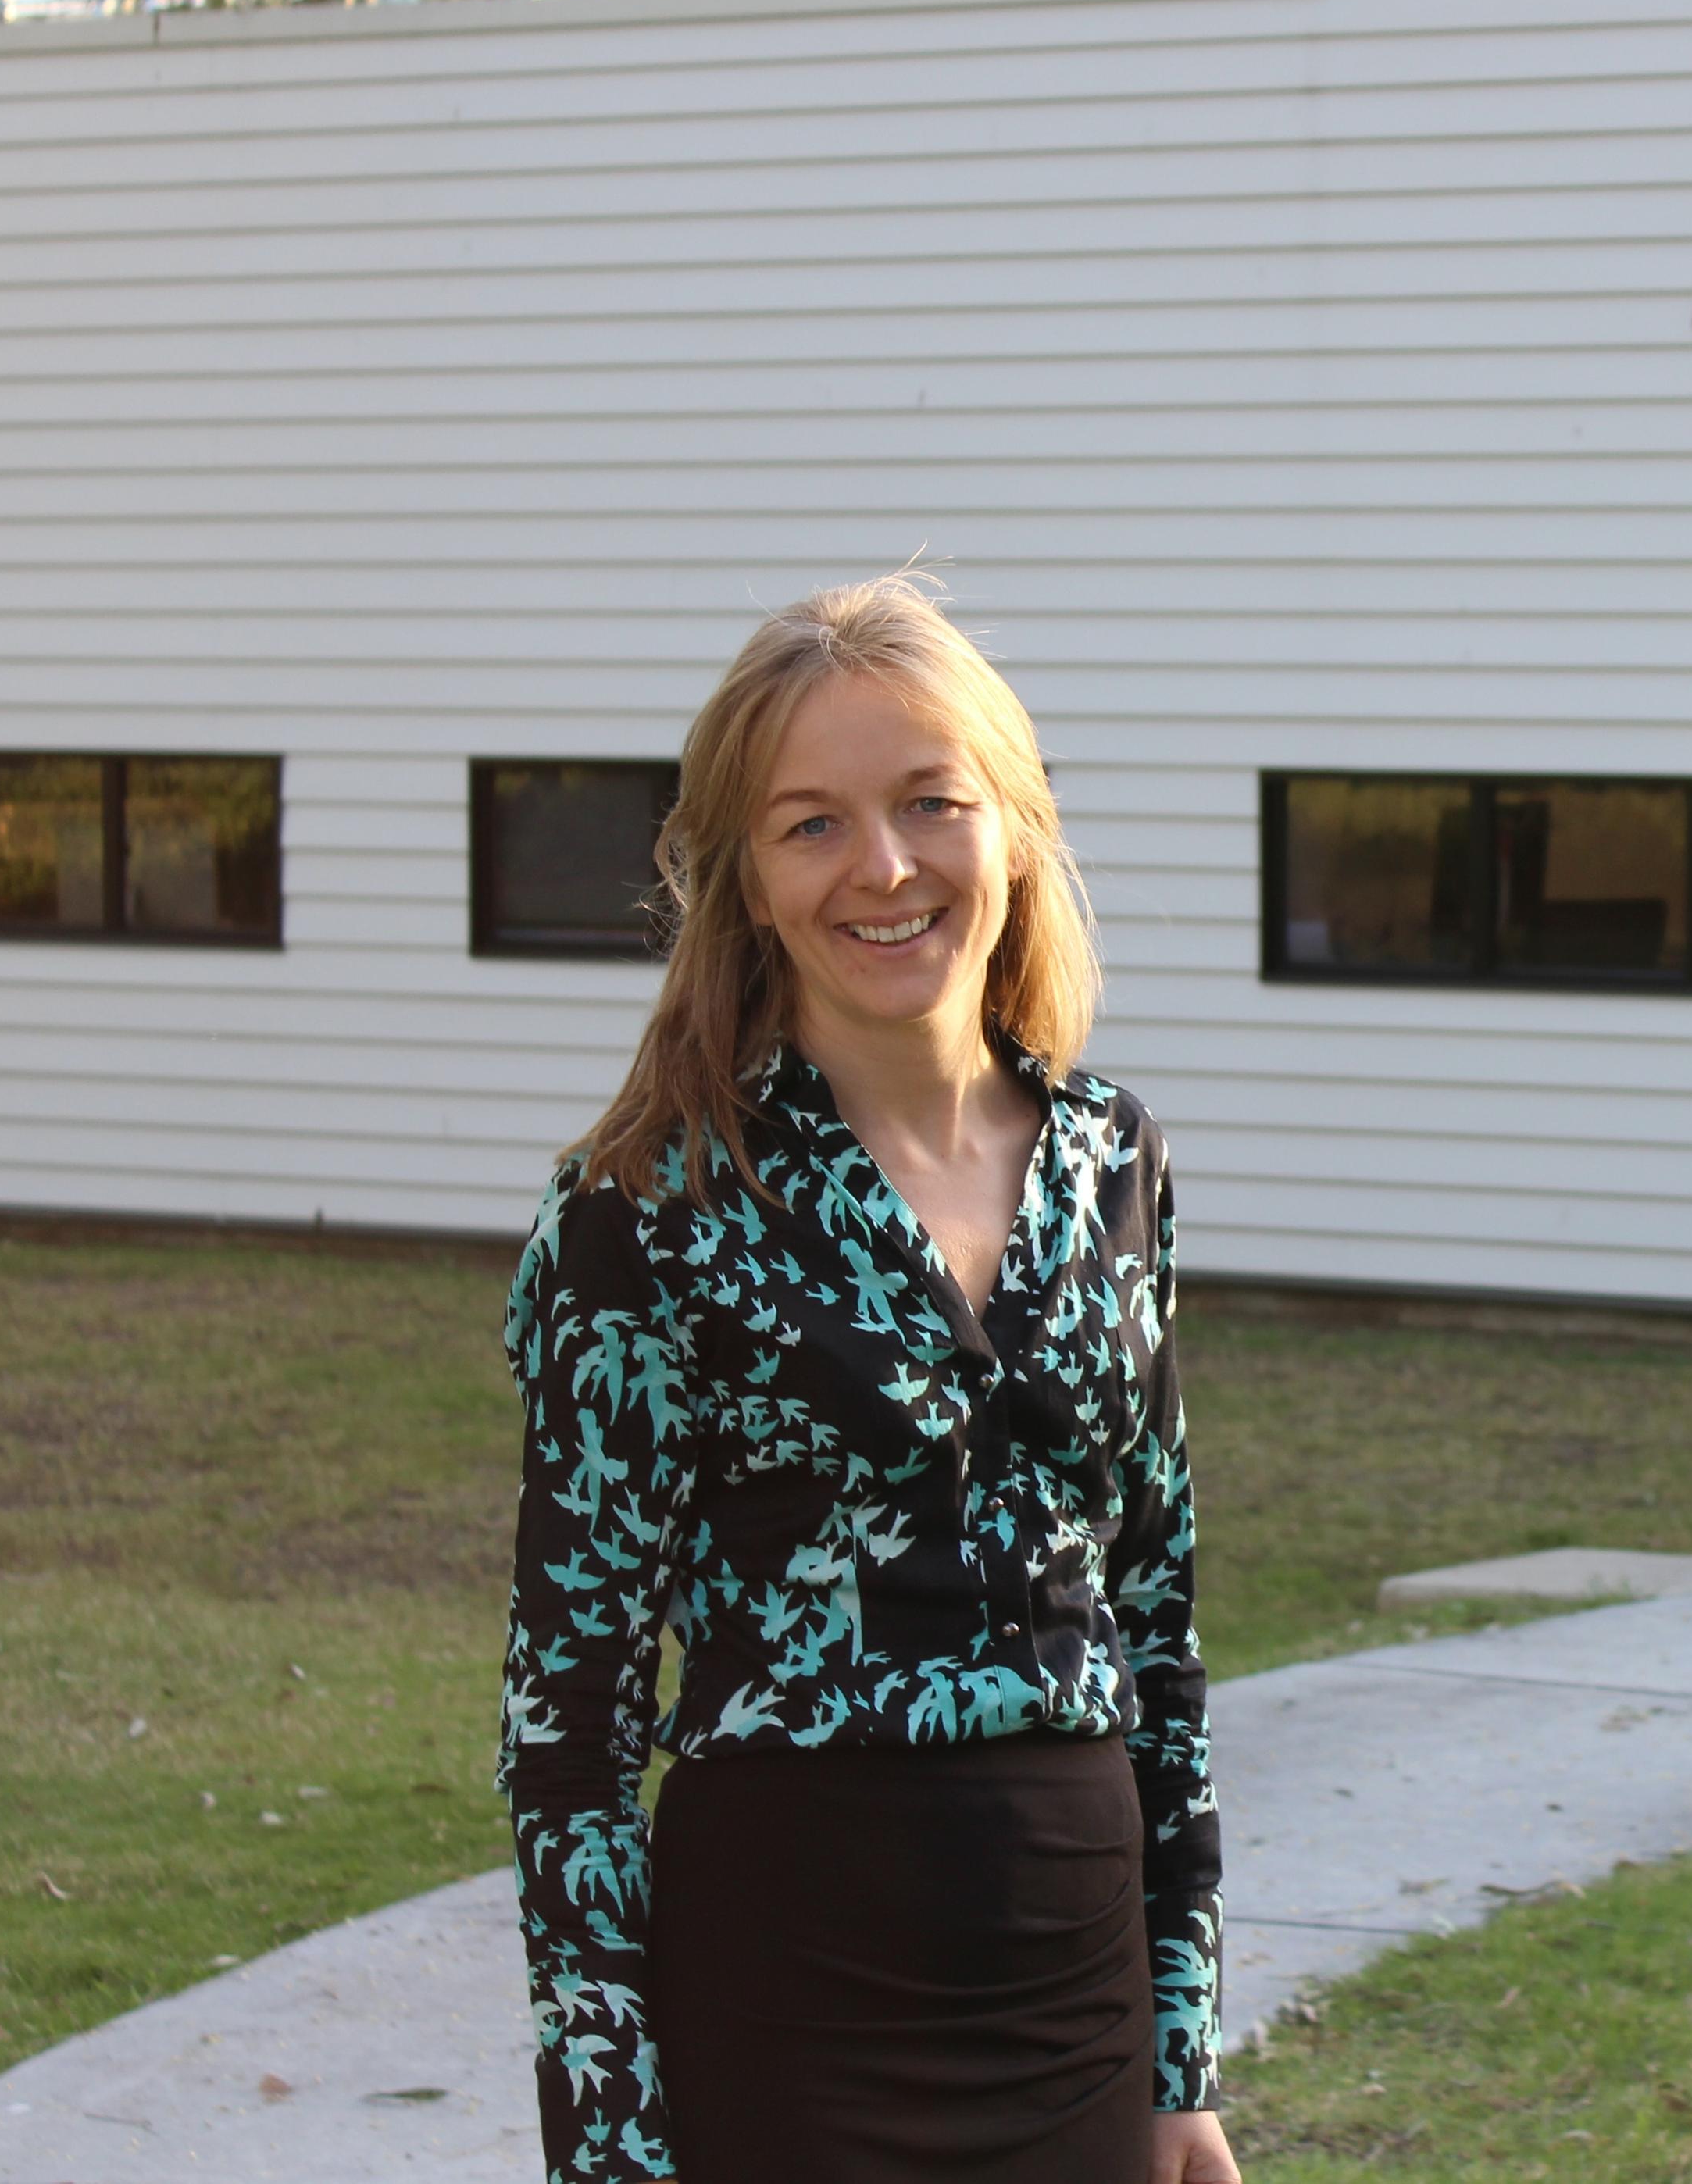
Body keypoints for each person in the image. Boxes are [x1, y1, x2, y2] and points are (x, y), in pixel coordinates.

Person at [496, 575, 1239, 2184]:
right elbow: (570, 1731)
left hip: (1077, 1994)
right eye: (810, 823)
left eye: (928, 801)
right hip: (786, 2003)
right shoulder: (645, 1209)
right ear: (747, 881)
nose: (884, 866)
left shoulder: (1114, 1159)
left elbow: (1157, 1627)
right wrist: (611, 2148)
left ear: (1016, 824)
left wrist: (1181, 2056)